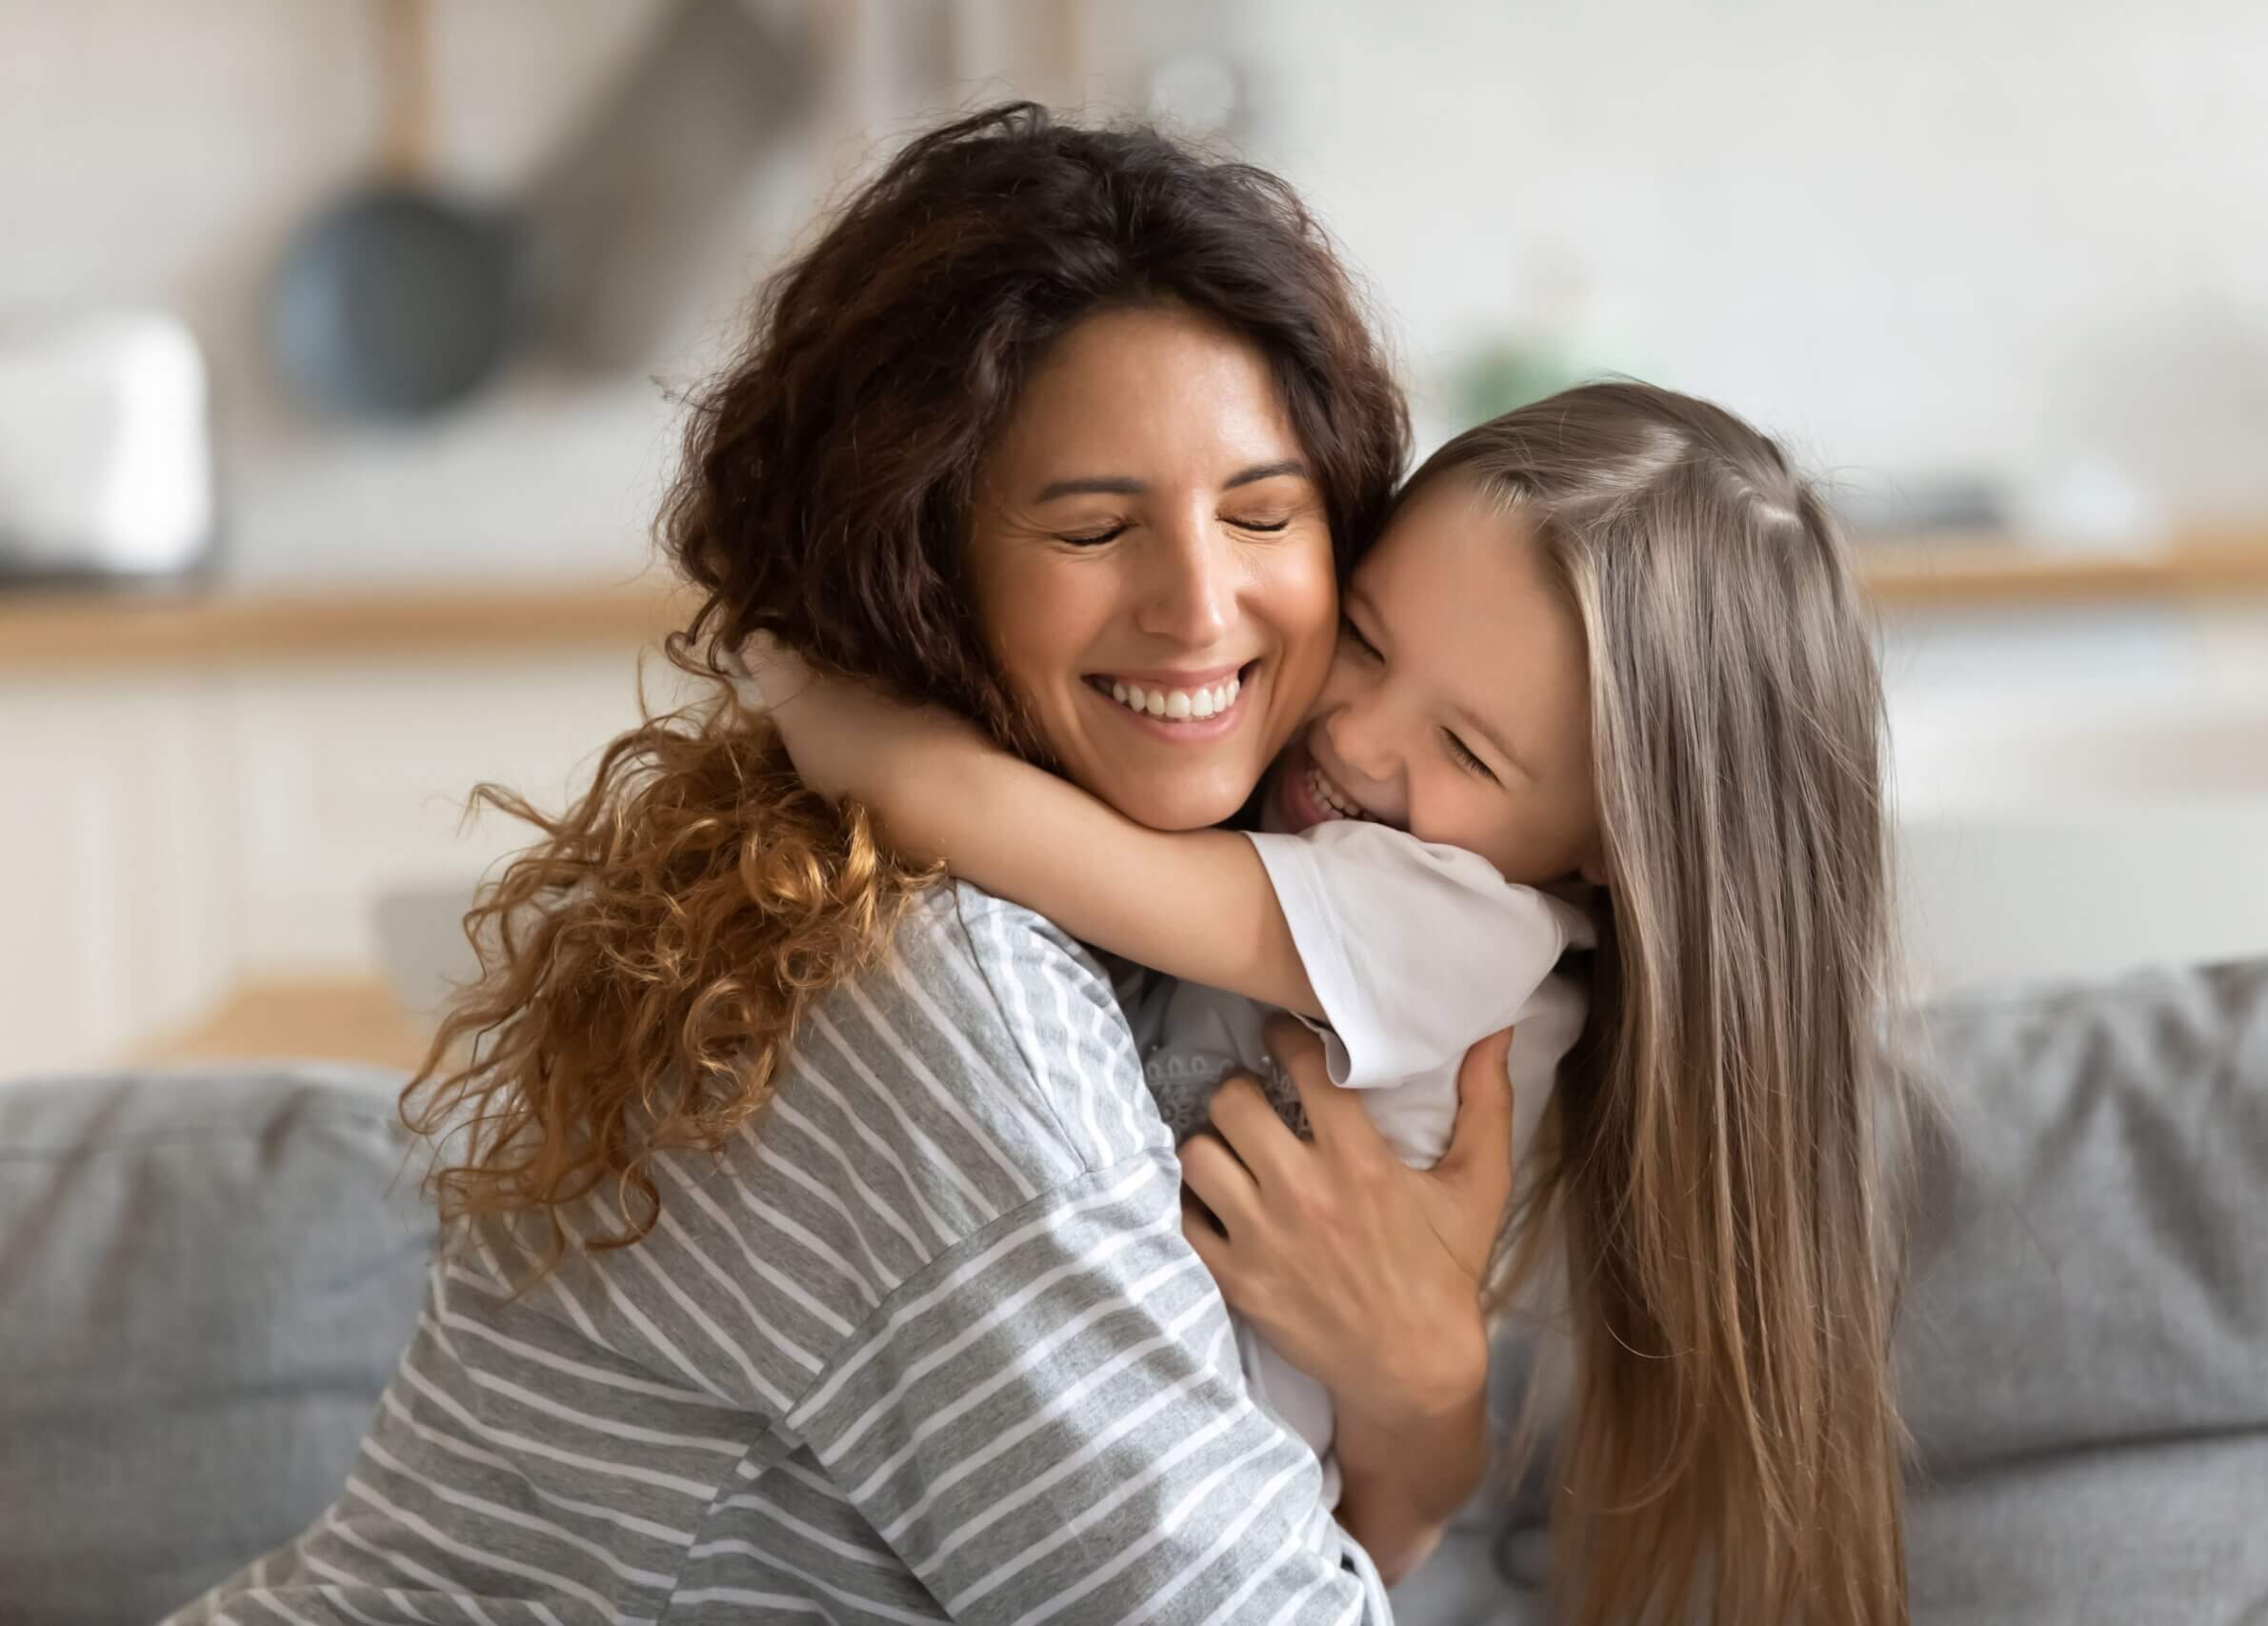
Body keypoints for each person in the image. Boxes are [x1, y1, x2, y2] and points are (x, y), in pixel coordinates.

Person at [165, 104, 1490, 1626]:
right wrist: (1429, 1404)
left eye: (1264, 513)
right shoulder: (942, 1002)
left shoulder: (1080, 936)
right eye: (1092, 529)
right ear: (922, 560)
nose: (1200, 609)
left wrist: (1418, 1395)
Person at [752, 381, 1916, 1626]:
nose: (1357, 738)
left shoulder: (1460, 929)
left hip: (1209, 1490)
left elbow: (1019, 838)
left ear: (1608, 850)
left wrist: (808, 694)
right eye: (1362, 639)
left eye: (1468, 752)